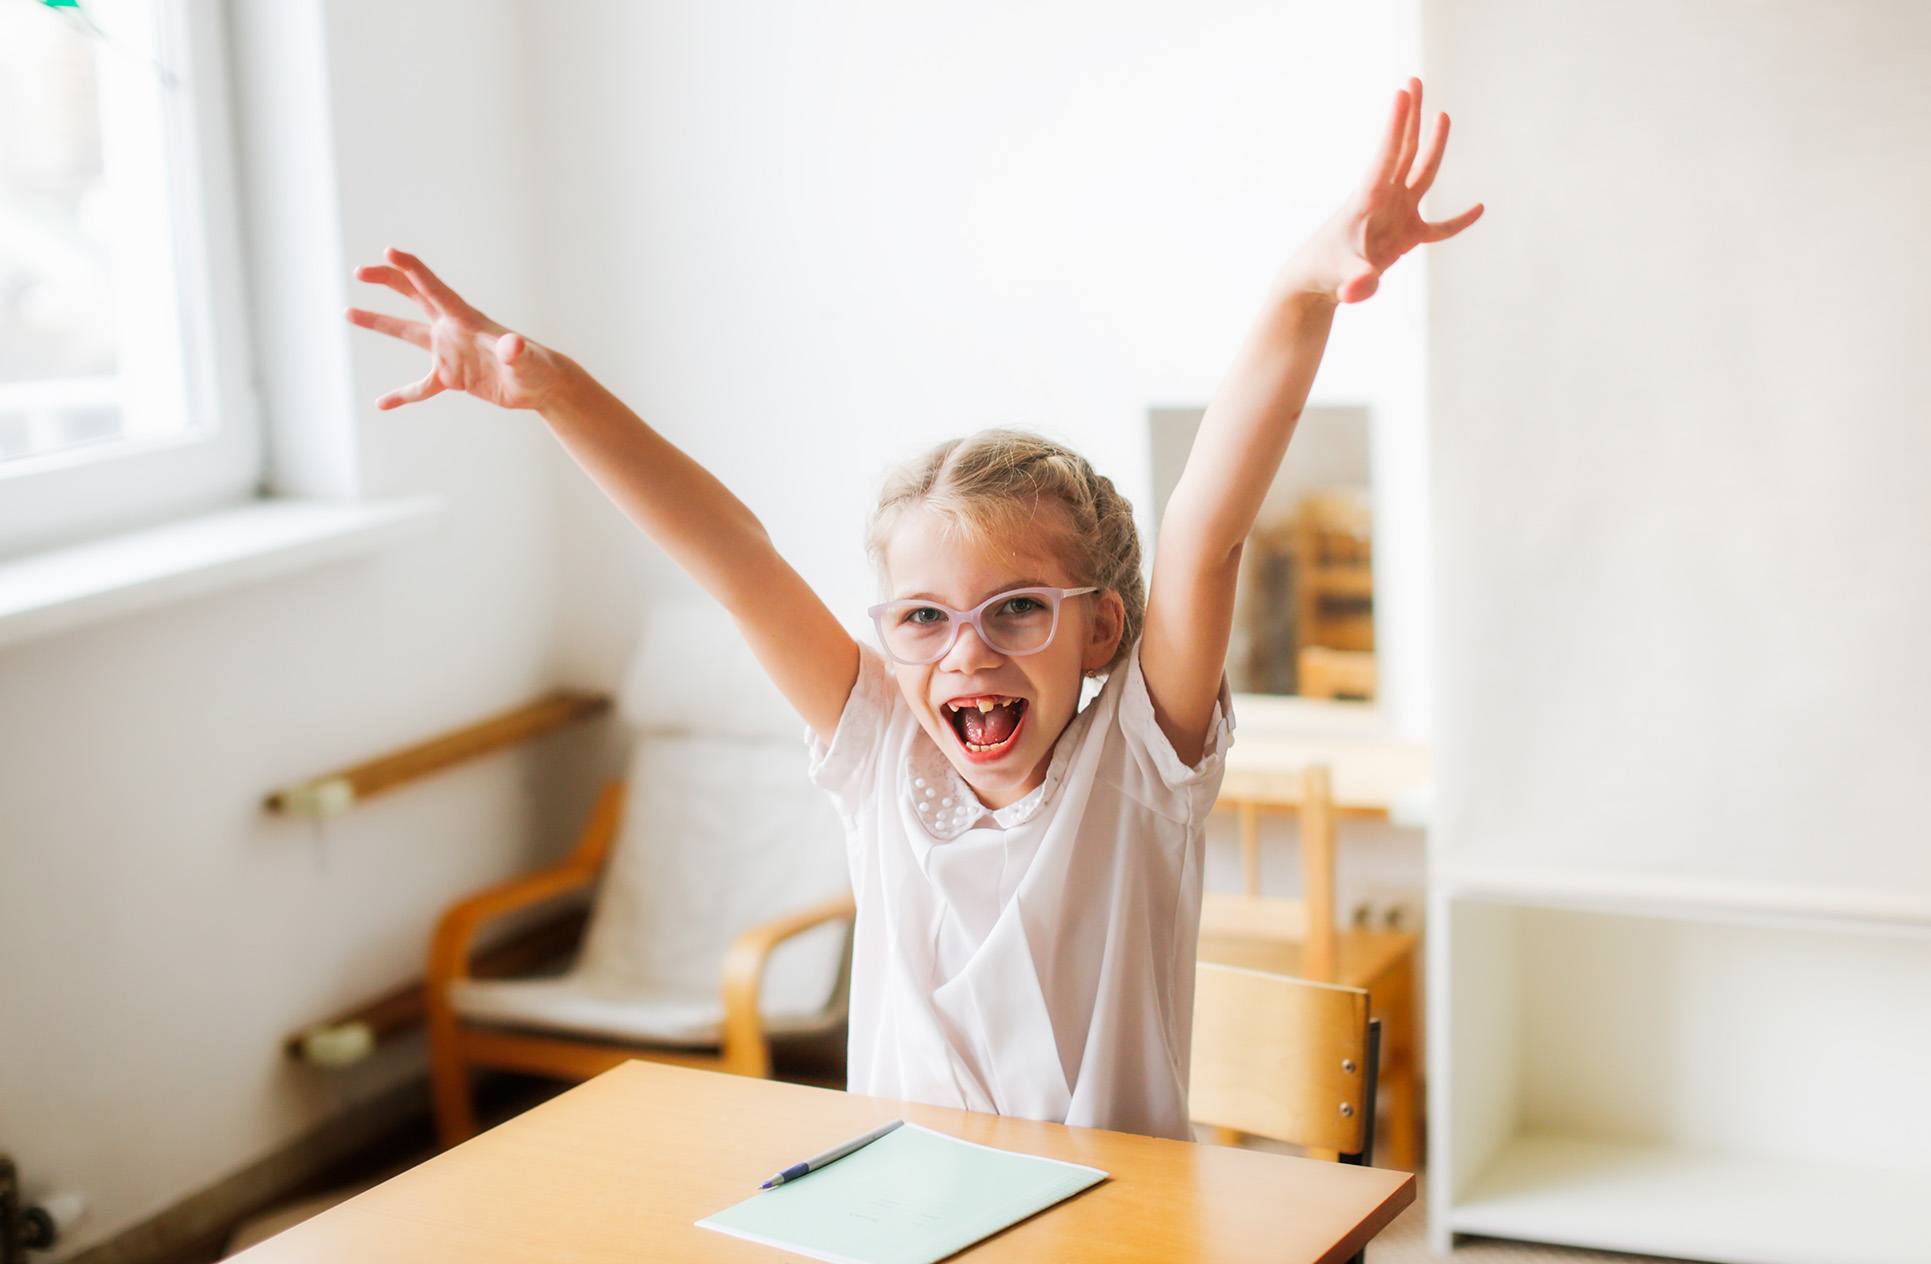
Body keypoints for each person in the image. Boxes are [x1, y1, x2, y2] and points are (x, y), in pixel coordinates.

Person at [346, 78, 1480, 1140]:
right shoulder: (879, 743)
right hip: (904, 1216)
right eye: (923, 618)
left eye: (1017, 609)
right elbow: (734, 556)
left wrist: (1301, 288)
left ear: (1103, 628)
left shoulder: (1139, 763)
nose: (964, 653)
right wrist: (548, 386)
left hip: (1121, 1233)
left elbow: (1204, 532)